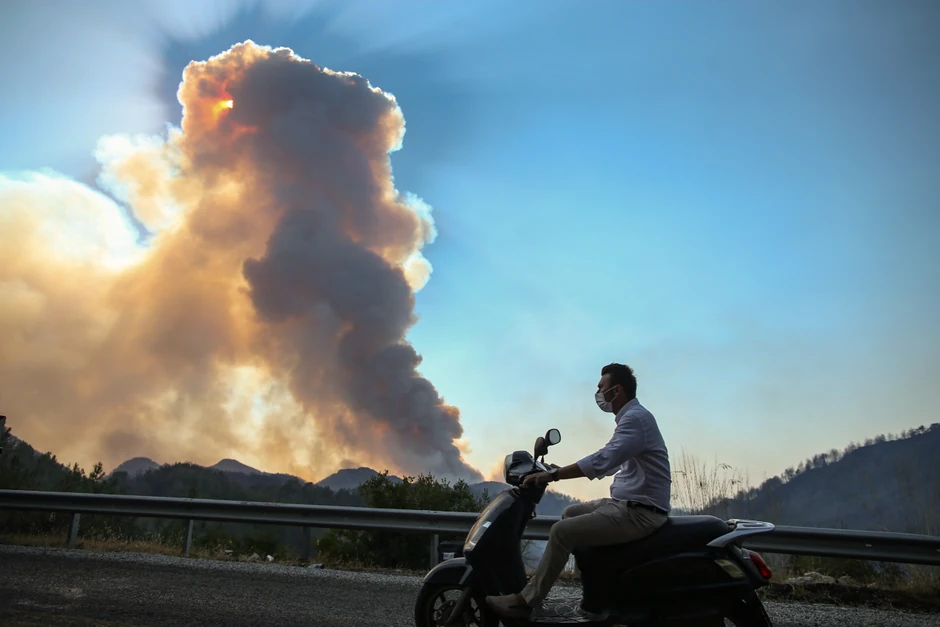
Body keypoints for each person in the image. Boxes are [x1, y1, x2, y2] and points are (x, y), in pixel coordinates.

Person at [485, 363, 672, 620]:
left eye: (601, 388)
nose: (598, 393)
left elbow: (605, 458)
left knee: (561, 532)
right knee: (570, 513)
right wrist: (559, 469)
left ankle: (525, 602)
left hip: (641, 513)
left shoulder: (635, 419)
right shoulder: (633, 418)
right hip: (628, 504)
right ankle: (595, 594)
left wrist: (554, 475)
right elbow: (612, 460)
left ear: (616, 391)